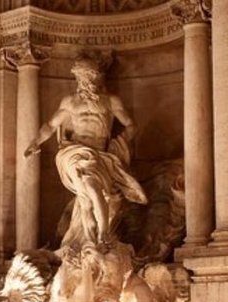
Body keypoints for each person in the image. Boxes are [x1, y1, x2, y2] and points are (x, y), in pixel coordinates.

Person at [24, 56, 147, 249]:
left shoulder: (111, 102)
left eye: (88, 76)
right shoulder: (70, 102)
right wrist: (35, 142)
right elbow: (50, 125)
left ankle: (90, 240)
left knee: (86, 202)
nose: (85, 81)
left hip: (100, 154)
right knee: (91, 186)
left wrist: (120, 143)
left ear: (97, 77)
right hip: (75, 152)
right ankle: (103, 233)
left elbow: (131, 125)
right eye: (81, 77)